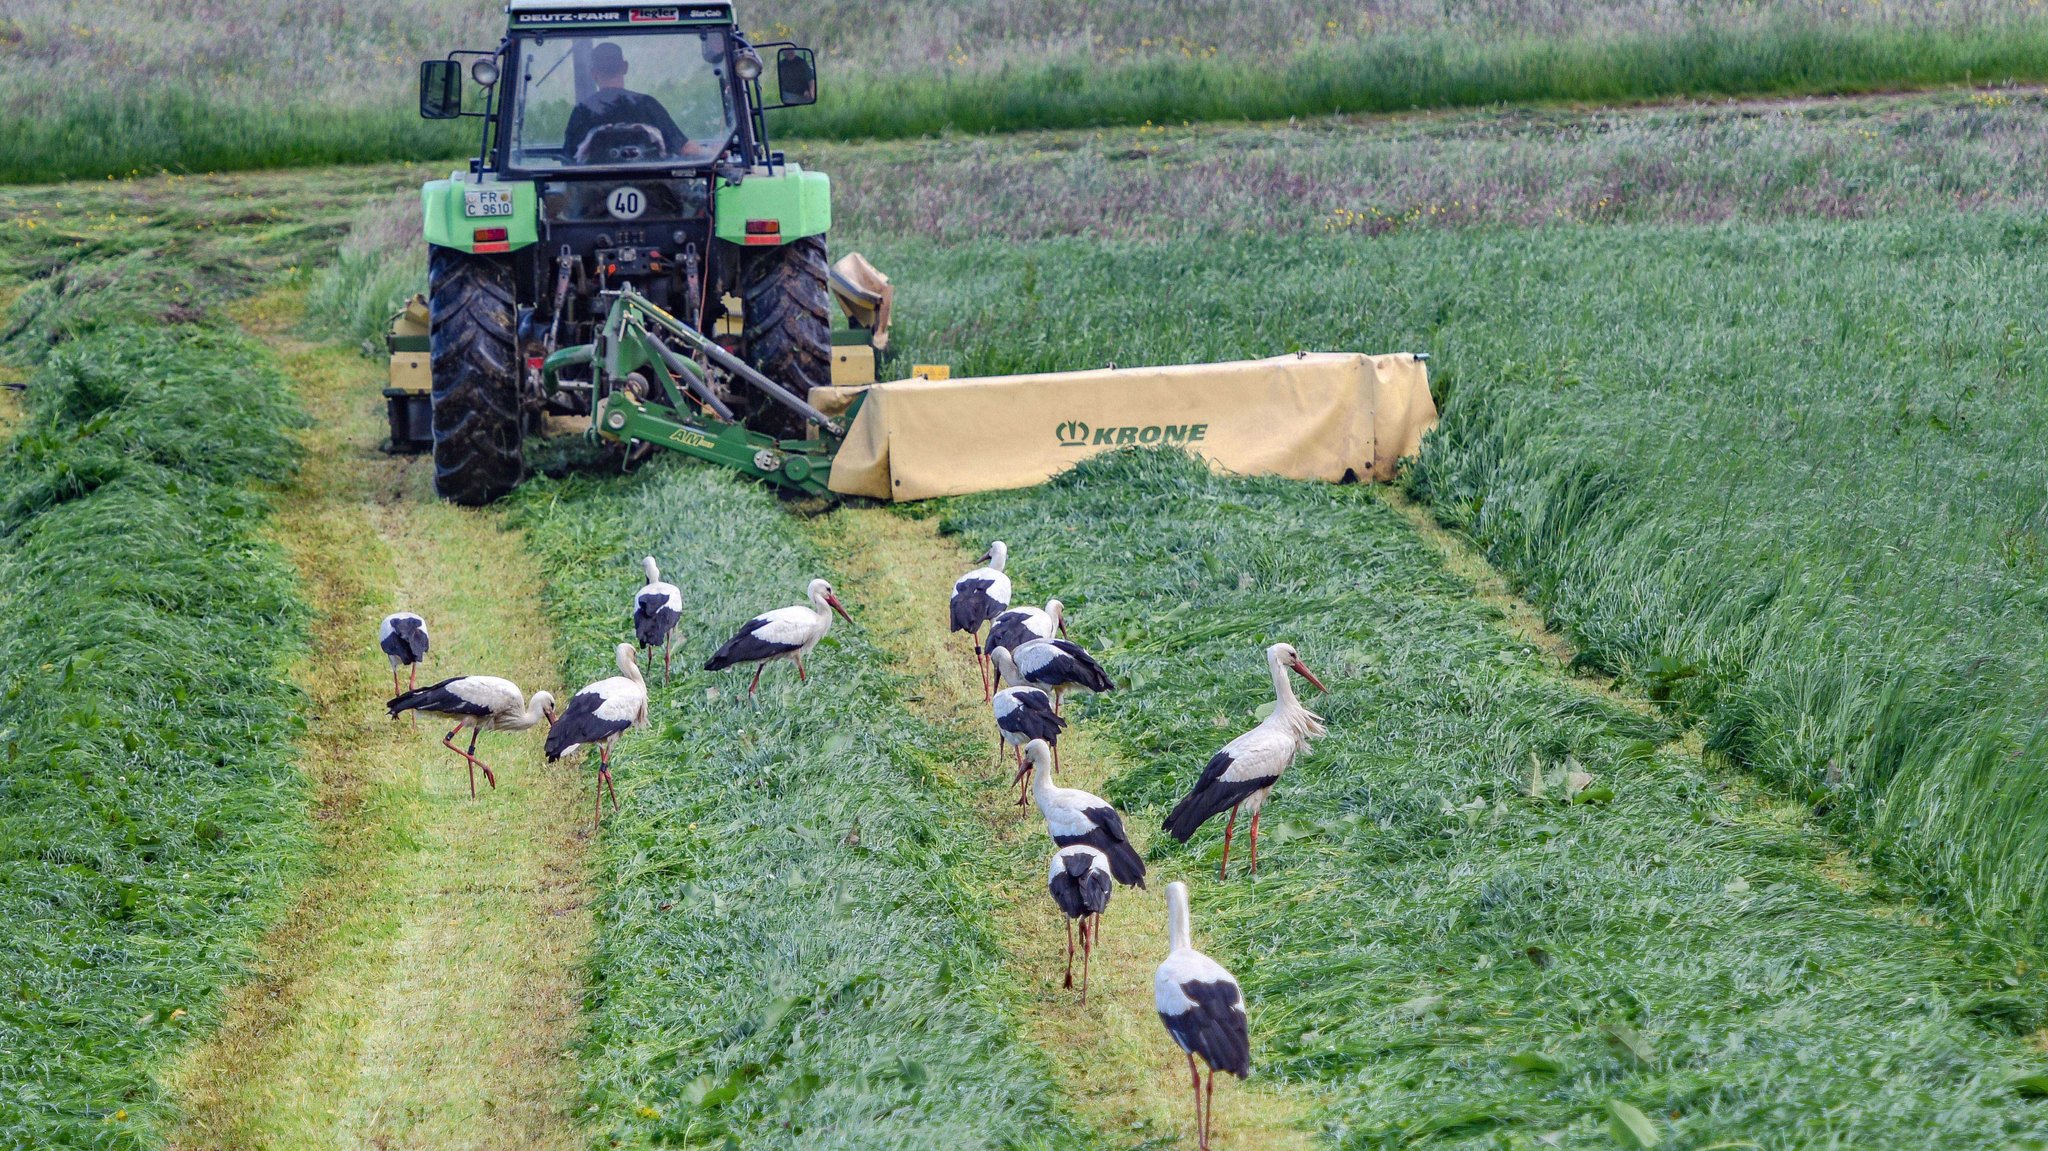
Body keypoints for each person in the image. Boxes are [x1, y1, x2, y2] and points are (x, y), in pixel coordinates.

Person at [563, 41, 686, 163]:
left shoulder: (582, 111)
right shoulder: (647, 105)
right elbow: (685, 149)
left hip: (597, 182)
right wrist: (704, 151)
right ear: (625, 67)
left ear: (594, 73)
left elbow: (569, 159)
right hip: (649, 182)